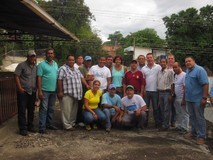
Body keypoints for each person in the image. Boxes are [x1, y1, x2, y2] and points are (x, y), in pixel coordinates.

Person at [57, 55, 90, 131]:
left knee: (73, 111)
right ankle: (66, 126)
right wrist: (60, 91)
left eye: (73, 60)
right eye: (70, 60)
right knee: (66, 110)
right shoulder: (62, 69)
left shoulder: (76, 69)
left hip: (76, 93)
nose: (71, 61)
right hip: (67, 93)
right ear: (66, 61)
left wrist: (87, 85)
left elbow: (81, 78)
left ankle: (72, 123)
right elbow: (59, 80)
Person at [184, 56, 209, 145]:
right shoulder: (187, 71)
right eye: (186, 62)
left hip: (198, 99)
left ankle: (201, 136)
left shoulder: (200, 70)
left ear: (194, 61)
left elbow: (205, 84)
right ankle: (193, 133)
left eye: (189, 61)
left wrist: (204, 98)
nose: (187, 63)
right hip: (189, 99)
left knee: (199, 117)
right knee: (192, 117)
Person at [14, 50, 37, 136]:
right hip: (23, 91)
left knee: (31, 110)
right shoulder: (21, 65)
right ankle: (23, 128)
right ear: (27, 57)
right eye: (31, 56)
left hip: (32, 91)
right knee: (22, 110)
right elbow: (16, 75)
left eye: (33, 56)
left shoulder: (36, 67)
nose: (32, 58)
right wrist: (19, 88)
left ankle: (30, 126)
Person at [37, 48, 58, 134]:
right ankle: (42, 127)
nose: (50, 55)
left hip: (53, 91)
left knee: (51, 109)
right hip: (45, 90)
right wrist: (40, 91)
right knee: (44, 109)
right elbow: (39, 78)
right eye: (48, 53)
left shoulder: (55, 64)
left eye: (51, 53)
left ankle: (49, 124)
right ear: (46, 54)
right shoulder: (41, 65)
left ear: (54, 55)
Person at [141, 53, 161, 128]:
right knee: (146, 108)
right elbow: (143, 81)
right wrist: (143, 90)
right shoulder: (144, 68)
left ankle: (157, 123)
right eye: (148, 58)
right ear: (146, 59)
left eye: (151, 57)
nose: (149, 59)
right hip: (147, 91)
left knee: (156, 108)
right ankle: (145, 123)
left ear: (153, 58)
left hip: (155, 91)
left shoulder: (158, 67)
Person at [157, 58, 174, 130]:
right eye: (161, 62)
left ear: (166, 63)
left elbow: (172, 84)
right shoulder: (159, 72)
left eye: (164, 62)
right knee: (162, 109)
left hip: (167, 92)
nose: (162, 63)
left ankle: (166, 125)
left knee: (167, 110)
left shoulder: (170, 72)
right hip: (160, 93)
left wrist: (171, 94)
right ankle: (164, 123)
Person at [77, 56, 94, 127]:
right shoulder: (81, 68)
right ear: (84, 61)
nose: (88, 62)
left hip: (88, 90)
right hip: (82, 89)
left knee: (86, 105)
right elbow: (80, 79)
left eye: (89, 61)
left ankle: (85, 120)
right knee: (80, 105)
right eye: (87, 61)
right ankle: (79, 120)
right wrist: (88, 78)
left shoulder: (89, 69)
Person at [173, 62, 189, 133]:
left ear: (179, 66)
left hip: (182, 97)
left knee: (184, 113)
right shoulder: (175, 75)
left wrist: (184, 99)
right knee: (178, 112)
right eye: (173, 67)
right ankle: (180, 126)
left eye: (176, 67)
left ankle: (185, 128)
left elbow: (185, 88)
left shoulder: (184, 75)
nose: (174, 69)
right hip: (176, 97)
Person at [167, 53, 176, 127]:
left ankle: (173, 121)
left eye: (172, 58)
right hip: (167, 91)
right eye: (169, 58)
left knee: (174, 107)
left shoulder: (176, 68)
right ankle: (167, 122)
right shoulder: (164, 68)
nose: (170, 60)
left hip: (175, 91)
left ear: (174, 59)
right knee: (167, 107)